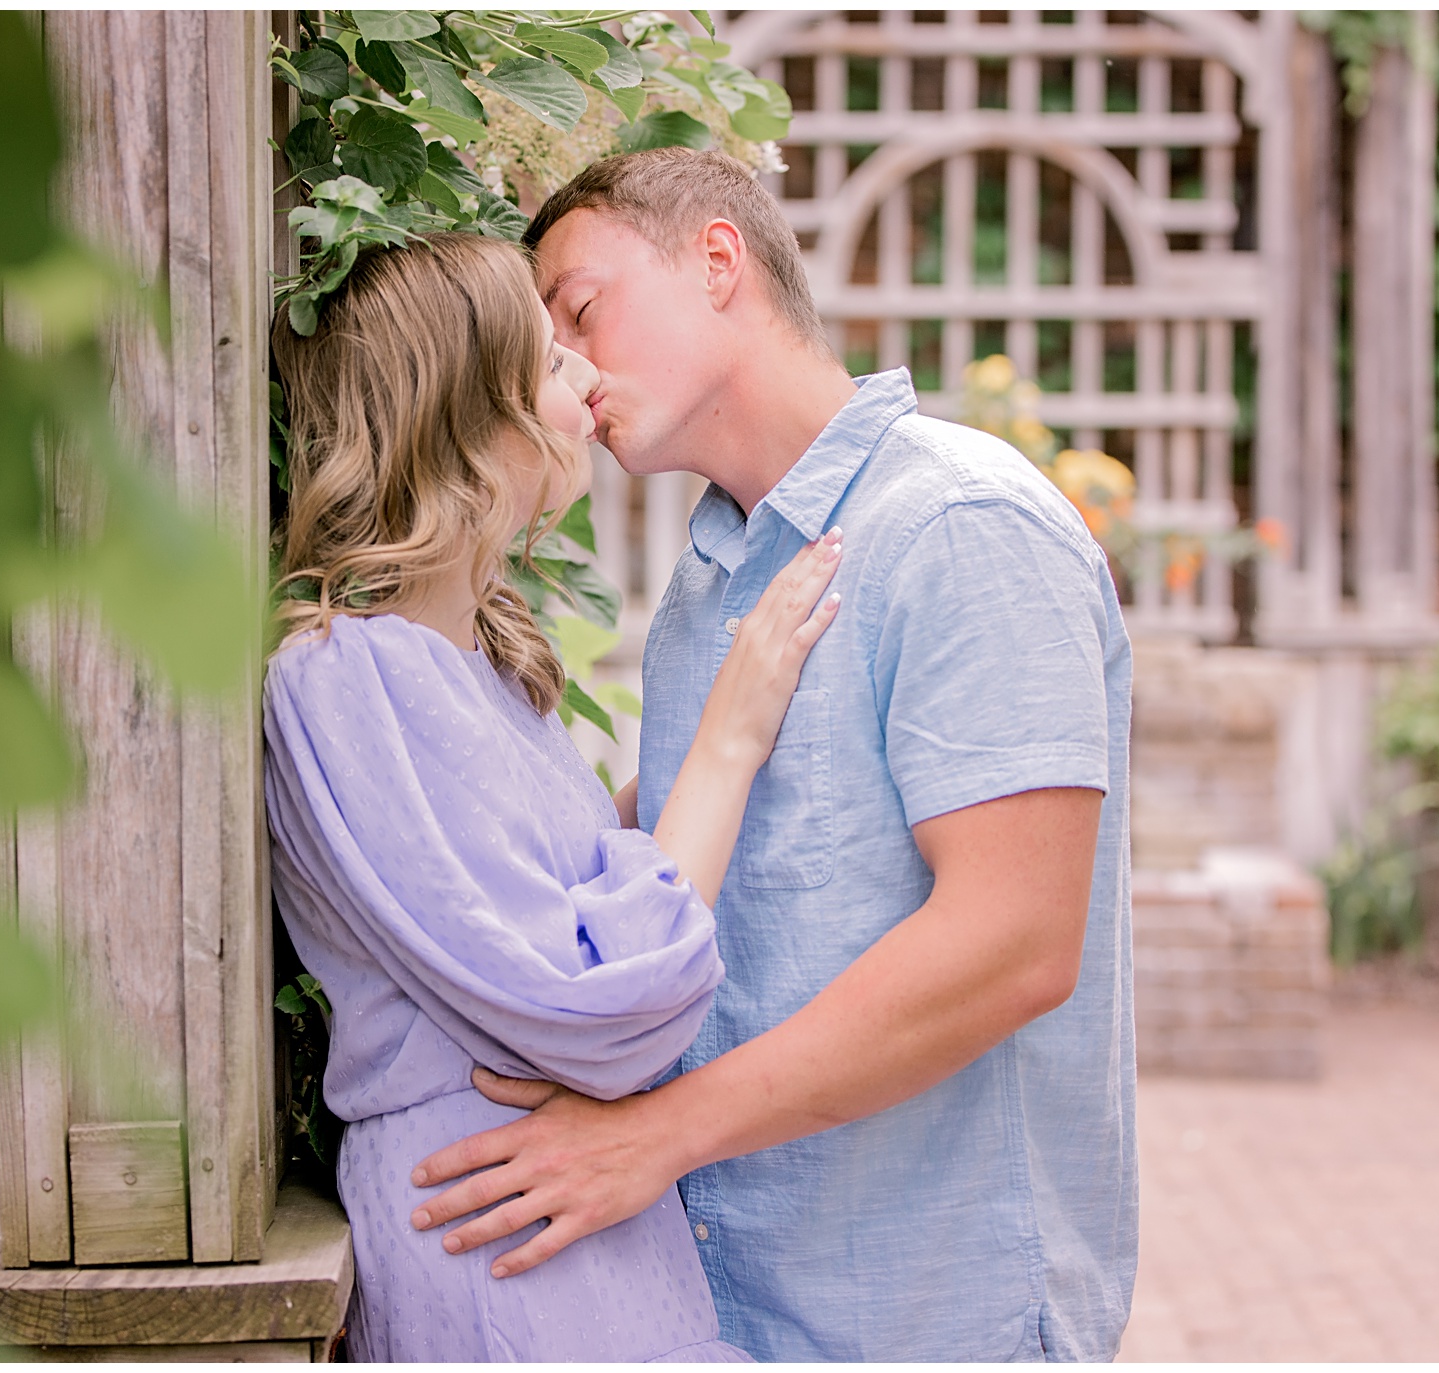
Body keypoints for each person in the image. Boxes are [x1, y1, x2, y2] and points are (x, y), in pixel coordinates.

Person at [406, 148, 1138, 1361]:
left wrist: (653, 1135)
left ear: (715, 259)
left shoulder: (959, 525)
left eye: (580, 307)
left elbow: (1013, 943)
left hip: (930, 1316)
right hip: (732, 1311)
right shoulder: (707, 584)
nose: (570, 367)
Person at [263, 231, 845, 1362]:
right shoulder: (346, 675)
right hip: (495, 1223)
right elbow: (600, 1005)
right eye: (547, 354)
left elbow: (537, 902)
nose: (584, 374)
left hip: (559, 1213)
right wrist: (727, 736)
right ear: (466, 408)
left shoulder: (470, 663)